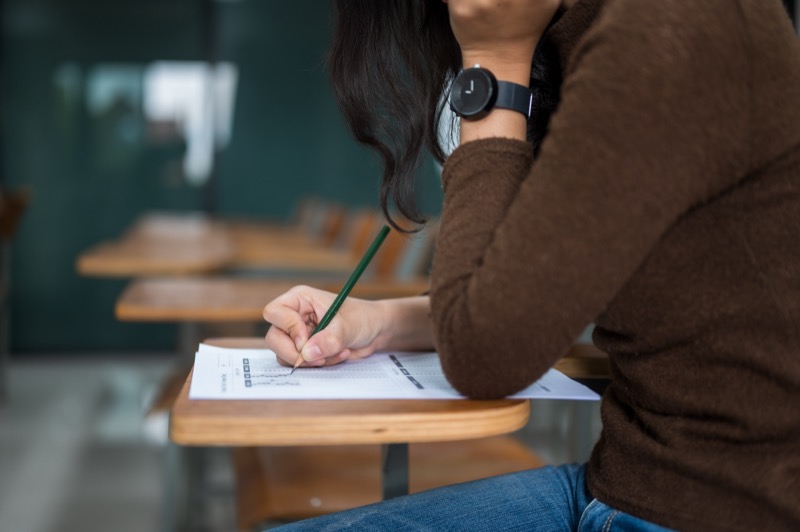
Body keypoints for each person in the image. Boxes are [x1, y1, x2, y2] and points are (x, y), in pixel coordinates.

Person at [262, 0, 800, 529]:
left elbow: (486, 354)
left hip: (713, 506)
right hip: (626, 482)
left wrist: (494, 60)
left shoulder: (671, 22)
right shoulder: (584, 31)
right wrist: (379, 323)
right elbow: (525, 291)